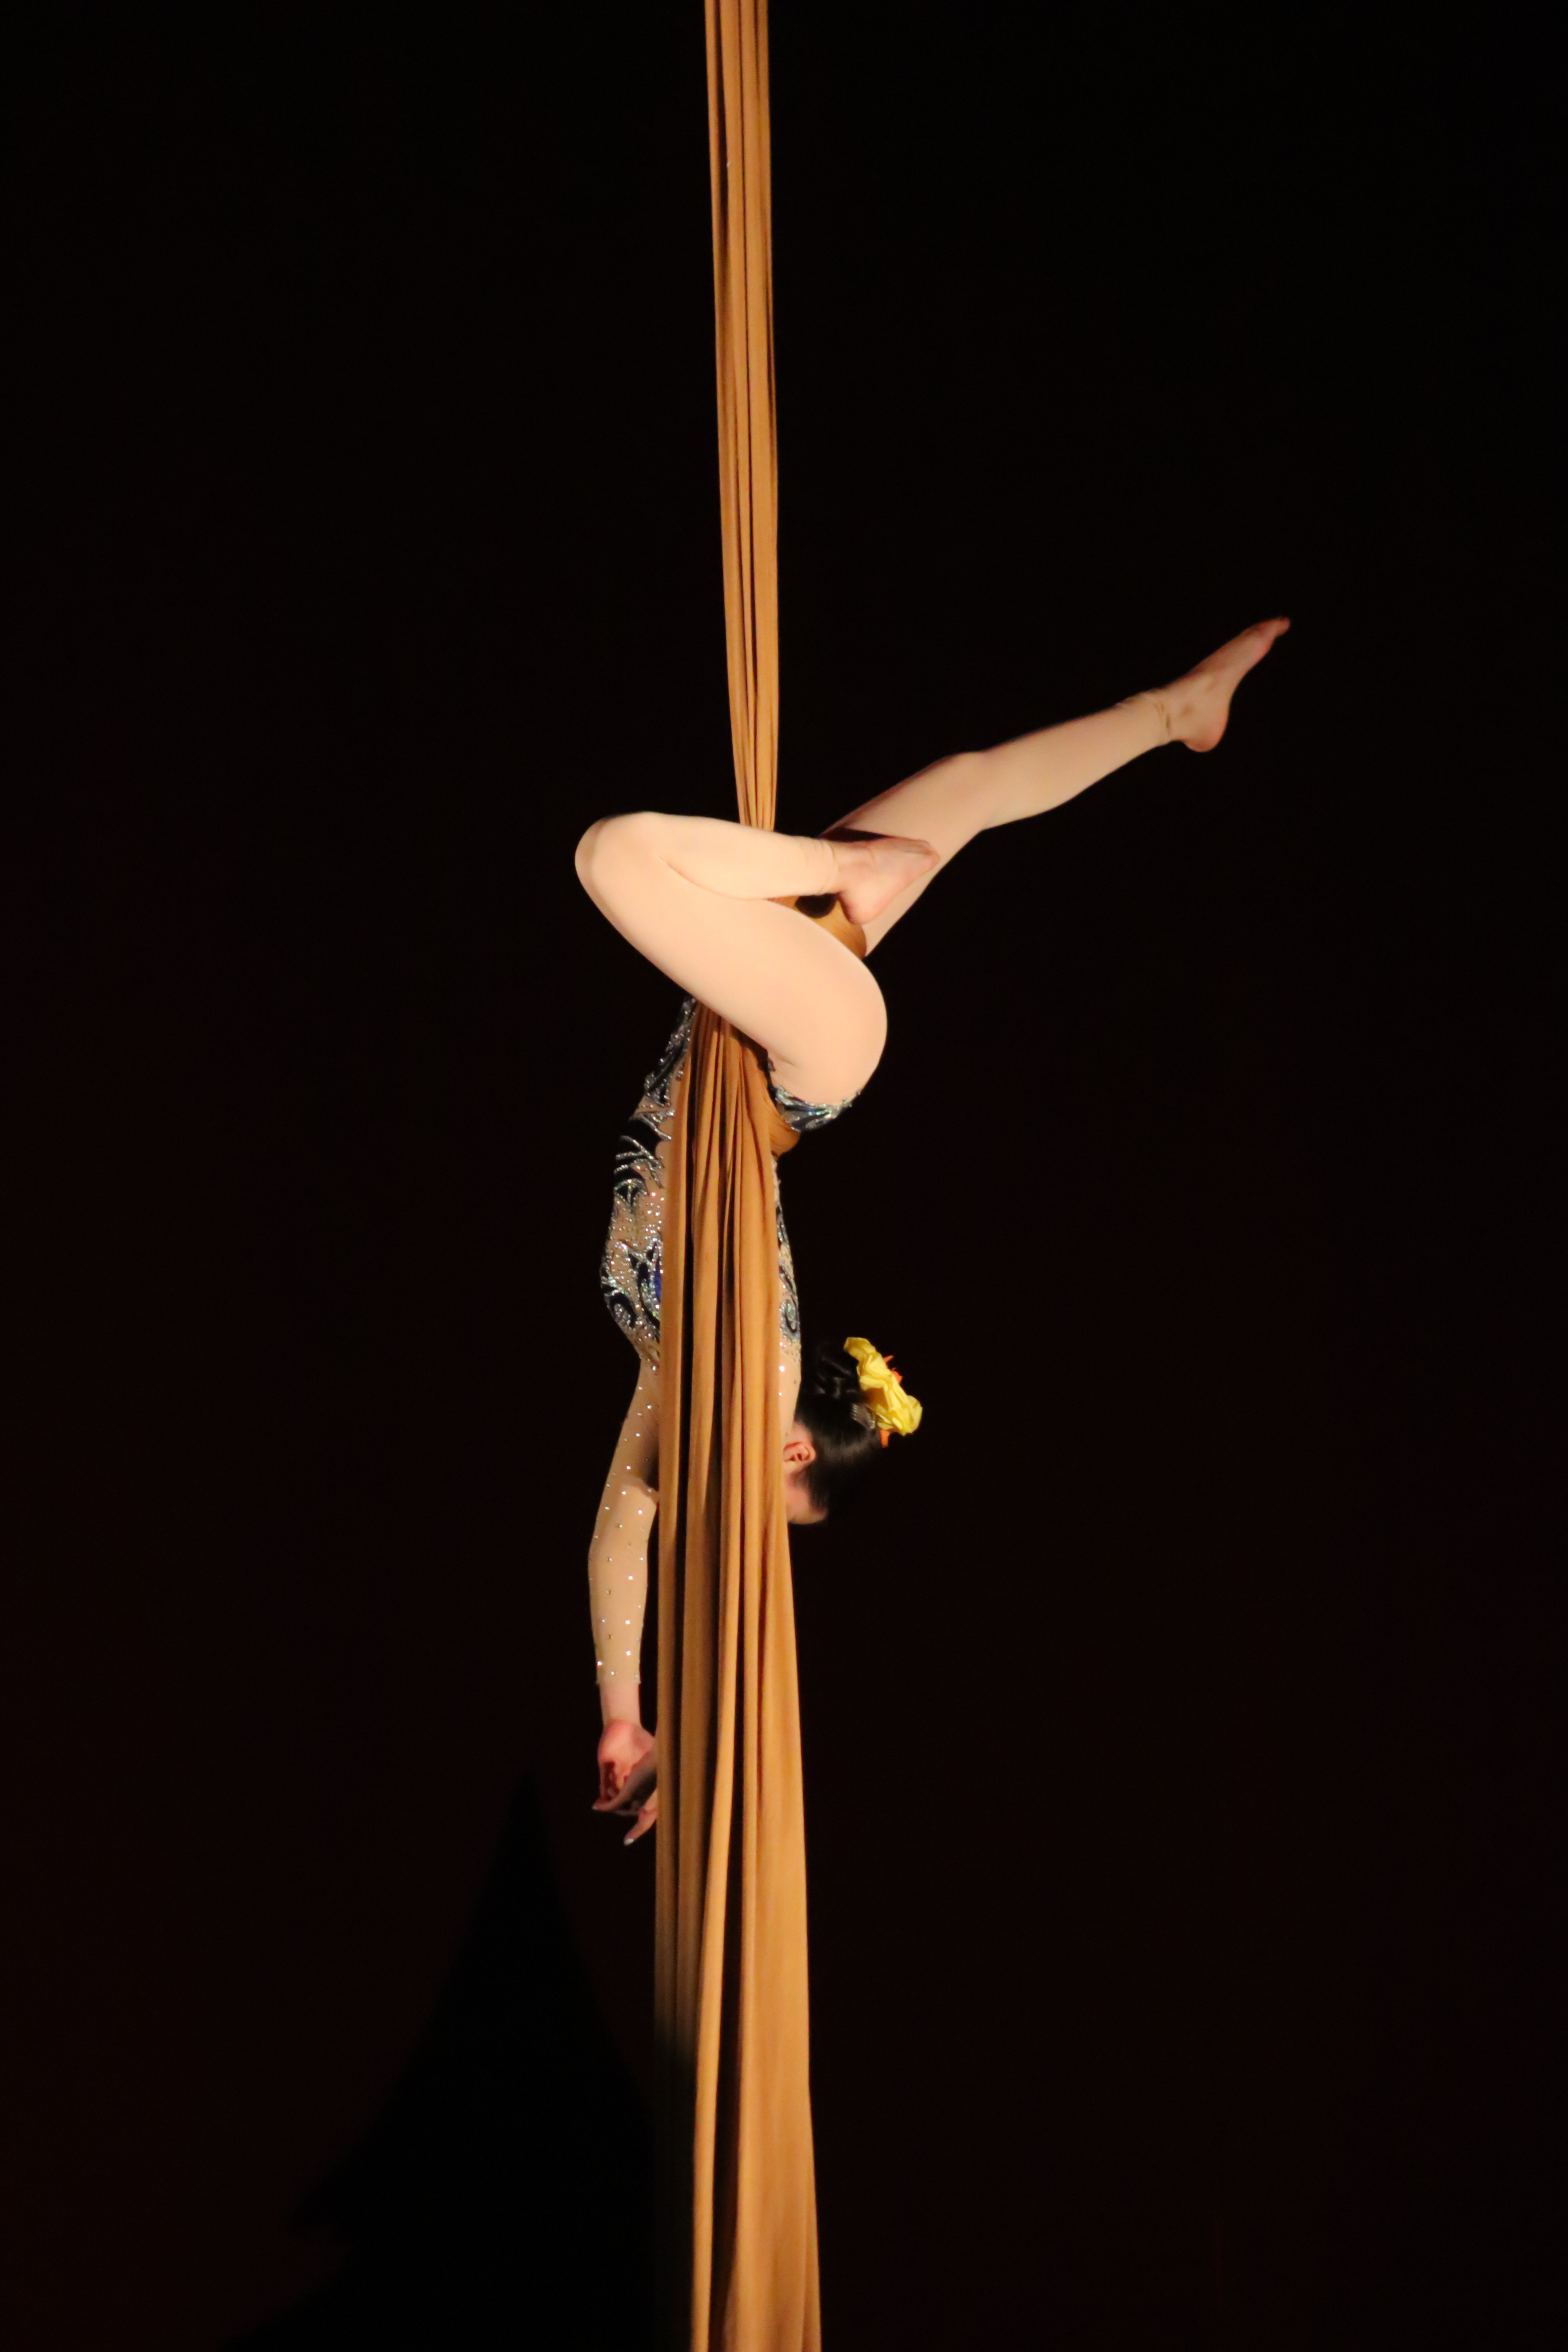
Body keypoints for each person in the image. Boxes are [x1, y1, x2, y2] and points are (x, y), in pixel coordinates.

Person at [575, 616, 1291, 1843]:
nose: (753, 1524)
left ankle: (1178, 712)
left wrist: (625, 1712)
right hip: (804, 1053)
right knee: (615, 858)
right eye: (781, 1517)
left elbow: (623, 1530)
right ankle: (851, 870)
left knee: (961, 793)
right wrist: (684, 1724)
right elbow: (707, 1579)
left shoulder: (672, 1368)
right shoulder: (758, 1374)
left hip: (770, 1017)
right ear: (794, 1458)